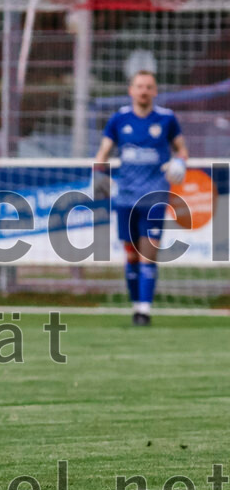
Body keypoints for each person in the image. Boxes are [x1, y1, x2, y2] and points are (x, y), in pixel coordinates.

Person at [94, 70, 188, 326]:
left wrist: (179, 162)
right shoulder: (118, 119)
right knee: (132, 256)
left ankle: (144, 311)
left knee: (148, 255)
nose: (144, 91)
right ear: (131, 90)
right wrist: (98, 175)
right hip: (125, 199)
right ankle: (136, 305)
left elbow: (182, 149)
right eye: (139, 86)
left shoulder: (167, 119)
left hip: (154, 198)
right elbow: (102, 152)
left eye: (149, 87)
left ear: (155, 91)